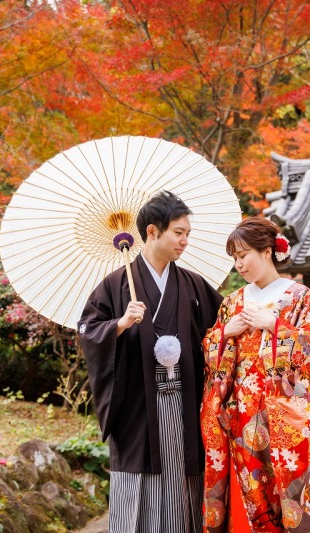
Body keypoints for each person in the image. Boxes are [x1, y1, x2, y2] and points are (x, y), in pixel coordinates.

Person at [78, 191, 223, 532]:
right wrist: (120, 323)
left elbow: (220, 326)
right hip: (139, 406)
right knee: (140, 487)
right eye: (178, 232)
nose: (185, 240)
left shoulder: (192, 284)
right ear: (153, 231)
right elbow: (88, 331)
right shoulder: (115, 285)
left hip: (186, 403)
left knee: (185, 484)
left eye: (188, 233)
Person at [200, 217, 310, 532]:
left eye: (243, 255)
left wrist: (274, 324)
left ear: (267, 251)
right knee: (255, 496)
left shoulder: (299, 295)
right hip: (244, 415)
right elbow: (209, 351)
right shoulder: (232, 302)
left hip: (287, 413)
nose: (238, 264)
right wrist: (224, 334)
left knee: (298, 492)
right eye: (234, 258)